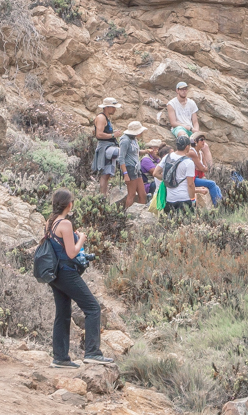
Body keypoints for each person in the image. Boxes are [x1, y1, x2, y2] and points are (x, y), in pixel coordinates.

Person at [42, 189, 112, 368]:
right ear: (69, 204)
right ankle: (92, 353)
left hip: (54, 274)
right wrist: (81, 238)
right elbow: (71, 253)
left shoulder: (49, 222)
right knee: (93, 308)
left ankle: (60, 358)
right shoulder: (65, 224)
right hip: (67, 272)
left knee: (63, 313)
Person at [91, 97, 123, 196]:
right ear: (107, 107)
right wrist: (113, 135)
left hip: (108, 146)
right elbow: (99, 134)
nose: (115, 109)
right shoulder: (101, 118)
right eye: (113, 107)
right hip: (105, 148)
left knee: (107, 173)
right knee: (105, 174)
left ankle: (104, 195)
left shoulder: (106, 118)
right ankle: (102, 195)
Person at [160, 135, 197, 214]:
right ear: (187, 147)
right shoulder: (189, 162)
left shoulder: (167, 157)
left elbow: (155, 173)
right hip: (184, 198)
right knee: (186, 221)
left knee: (170, 220)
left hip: (170, 199)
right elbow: (190, 184)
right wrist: (193, 200)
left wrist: (167, 179)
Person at [118, 121, 148, 209]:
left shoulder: (134, 139)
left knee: (143, 194)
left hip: (136, 168)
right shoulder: (125, 141)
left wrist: (146, 151)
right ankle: (127, 213)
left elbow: (135, 152)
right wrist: (125, 174)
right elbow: (121, 158)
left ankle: (140, 212)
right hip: (129, 168)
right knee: (131, 194)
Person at [188, 132, 222, 206]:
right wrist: (202, 168)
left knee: (217, 187)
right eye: (201, 140)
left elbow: (206, 168)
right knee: (212, 184)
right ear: (195, 141)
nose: (204, 142)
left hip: (198, 177)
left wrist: (201, 168)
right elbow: (202, 168)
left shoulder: (201, 153)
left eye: (204, 139)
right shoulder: (192, 152)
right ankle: (217, 205)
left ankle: (221, 203)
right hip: (192, 179)